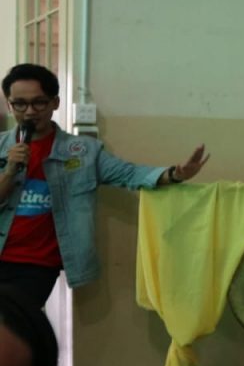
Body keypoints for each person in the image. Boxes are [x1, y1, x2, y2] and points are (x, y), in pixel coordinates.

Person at [0, 63, 208, 308]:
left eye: (39, 103)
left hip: (37, 265)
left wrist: (174, 174)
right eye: (20, 104)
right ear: (9, 105)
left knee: (12, 321)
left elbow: (129, 173)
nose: (29, 112)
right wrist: (10, 170)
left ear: (55, 103)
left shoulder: (84, 152)